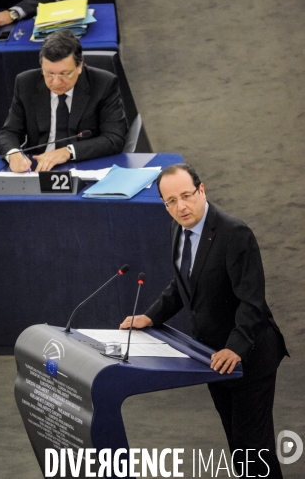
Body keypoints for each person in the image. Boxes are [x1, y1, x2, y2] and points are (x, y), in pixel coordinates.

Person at [120, 163, 288, 479]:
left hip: (249, 354)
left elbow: (252, 301)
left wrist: (235, 349)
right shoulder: (178, 228)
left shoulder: (234, 233)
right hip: (211, 355)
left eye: (186, 195)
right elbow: (184, 283)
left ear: (202, 190)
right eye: (170, 201)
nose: (180, 206)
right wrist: (150, 316)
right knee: (238, 443)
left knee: (254, 444)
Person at [0, 29, 128, 172]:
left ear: (79, 66)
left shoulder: (104, 84)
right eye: (49, 73)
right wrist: (13, 154)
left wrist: (68, 152)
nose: (56, 82)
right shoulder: (26, 83)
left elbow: (114, 138)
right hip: (38, 168)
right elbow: (9, 132)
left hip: (84, 166)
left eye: (64, 74)